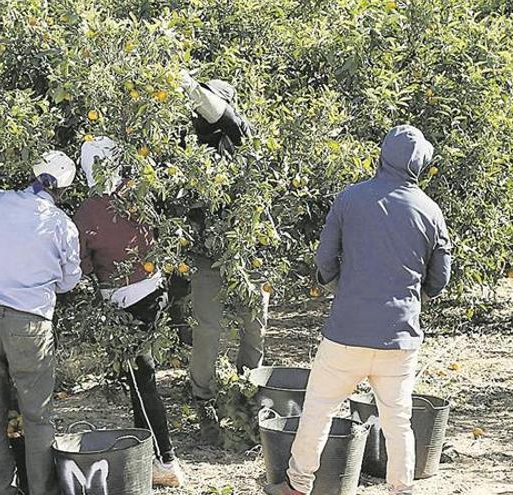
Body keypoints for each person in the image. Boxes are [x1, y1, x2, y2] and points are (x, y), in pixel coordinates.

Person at [264, 125, 452, 495]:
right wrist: (417, 297)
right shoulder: (431, 212)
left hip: (346, 334)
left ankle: (298, 484)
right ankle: (401, 488)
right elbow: (440, 278)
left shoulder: (350, 199)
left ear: (381, 157)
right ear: (419, 166)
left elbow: (324, 259)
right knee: (398, 418)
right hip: (399, 338)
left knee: (317, 409)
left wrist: (336, 284)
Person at [0, 150, 82, 495]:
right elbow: (69, 281)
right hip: (29, 325)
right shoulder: (61, 224)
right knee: (37, 417)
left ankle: (1, 490)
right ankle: (42, 490)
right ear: (63, 189)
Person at [72, 136, 186, 487]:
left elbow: (81, 266)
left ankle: (165, 460)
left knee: (141, 381)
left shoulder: (89, 212)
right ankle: (150, 455)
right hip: (154, 294)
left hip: (125, 306)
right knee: (141, 377)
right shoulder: (138, 195)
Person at [174, 71, 268, 444]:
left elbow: (225, 117)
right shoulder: (191, 144)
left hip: (245, 248)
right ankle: (204, 404)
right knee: (207, 331)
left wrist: (188, 84)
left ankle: (249, 393)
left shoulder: (243, 136)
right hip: (205, 253)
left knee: (253, 322)